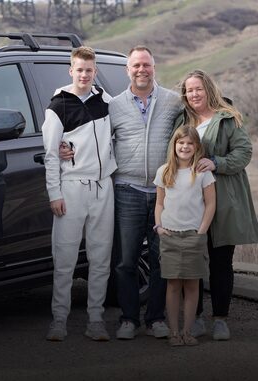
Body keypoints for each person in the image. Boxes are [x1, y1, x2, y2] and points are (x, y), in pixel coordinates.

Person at [62, 46, 185, 340]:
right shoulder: (113, 105)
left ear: (154, 67)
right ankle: (128, 319)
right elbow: (92, 136)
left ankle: (155, 318)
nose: (141, 70)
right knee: (126, 260)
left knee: (160, 260)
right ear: (126, 70)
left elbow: (192, 132)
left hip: (162, 191)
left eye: (146, 65)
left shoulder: (172, 101)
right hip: (126, 189)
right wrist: (68, 147)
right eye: (136, 66)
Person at [177, 69, 258, 341]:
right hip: (189, 202)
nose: (194, 94)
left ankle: (221, 319)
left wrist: (217, 163)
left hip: (222, 200)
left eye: (198, 89)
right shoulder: (182, 119)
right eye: (189, 90)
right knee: (193, 261)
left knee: (220, 261)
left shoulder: (228, 118)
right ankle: (196, 316)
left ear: (208, 89)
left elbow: (244, 152)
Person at [41, 46, 117, 342]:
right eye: (79, 69)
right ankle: (59, 320)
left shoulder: (107, 102)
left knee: (101, 259)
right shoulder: (57, 106)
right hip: (71, 188)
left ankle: (95, 320)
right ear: (71, 71)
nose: (84, 75)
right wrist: (54, 193)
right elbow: (50, 154)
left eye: (89, 70)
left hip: (103, 187)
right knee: (65, 258)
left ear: (95, 72)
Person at [153, 126, 216, 346]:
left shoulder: (202, 173)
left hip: (193, 236)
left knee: (191, 286)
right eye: (181, 143)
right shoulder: (164, 171)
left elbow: (210, 205)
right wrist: (159, 227)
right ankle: (174, 332)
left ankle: (188, 332)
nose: (185, 147)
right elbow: (159, 203)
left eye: (190, 143)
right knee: (172, 286)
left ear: (196, 147)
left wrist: (201, 232)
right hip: (169, 235)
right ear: (174, 145)